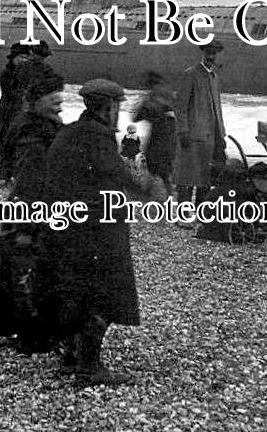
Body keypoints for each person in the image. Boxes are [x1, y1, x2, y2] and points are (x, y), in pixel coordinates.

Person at [34, 79, 165, 386]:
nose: (118, 112)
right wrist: (151, 188)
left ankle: (71, 356)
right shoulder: (98, 136)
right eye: (117, 106)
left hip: (61, 226)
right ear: (109, 107)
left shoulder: (68, 131)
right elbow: (119, 176)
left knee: (71, 292)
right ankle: (88, 366)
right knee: (105, 294)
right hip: (95, 230)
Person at [0, 67, 66, 352]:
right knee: (30, 267)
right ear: (36, 99)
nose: (59, 100)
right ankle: (33, 336)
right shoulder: (34, 129)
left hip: (28, 203)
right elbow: (32, 175)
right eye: (52, 96)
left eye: (60, 95)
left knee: (19, 268)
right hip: (32, 205)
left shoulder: (36, 123)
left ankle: (21, 329)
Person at [172, 40, 227, 212]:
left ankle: (201, 213)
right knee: (187, 177)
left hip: (211, 136)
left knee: (206, 178)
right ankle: (184, 214)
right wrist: (183, 131)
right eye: (208, 53)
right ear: (203, 53)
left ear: (218, 55)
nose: (211, 56)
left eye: (214, 53)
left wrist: (222, 135)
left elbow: (217, 107)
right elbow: (180, 106)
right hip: (193, 136)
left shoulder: (215, 77)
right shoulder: (191, 74)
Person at [0, 43, 34, 179]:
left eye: (26, 58)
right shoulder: (7, 72)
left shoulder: (26, 72)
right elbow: (10, 93)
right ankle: (5, 175)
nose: (23, 60)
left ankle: (17, 175)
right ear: (14, 58)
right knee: (7, 142)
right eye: (21, 57)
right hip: (9, 111)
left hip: (20, 110)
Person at [133, 71, 177, 193]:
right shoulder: (169, 96)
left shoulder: (152, 99)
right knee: (165, 176)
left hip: (157, 143)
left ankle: (147, 196)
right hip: (169, 143)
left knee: (154, 173)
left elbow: (136, 117)